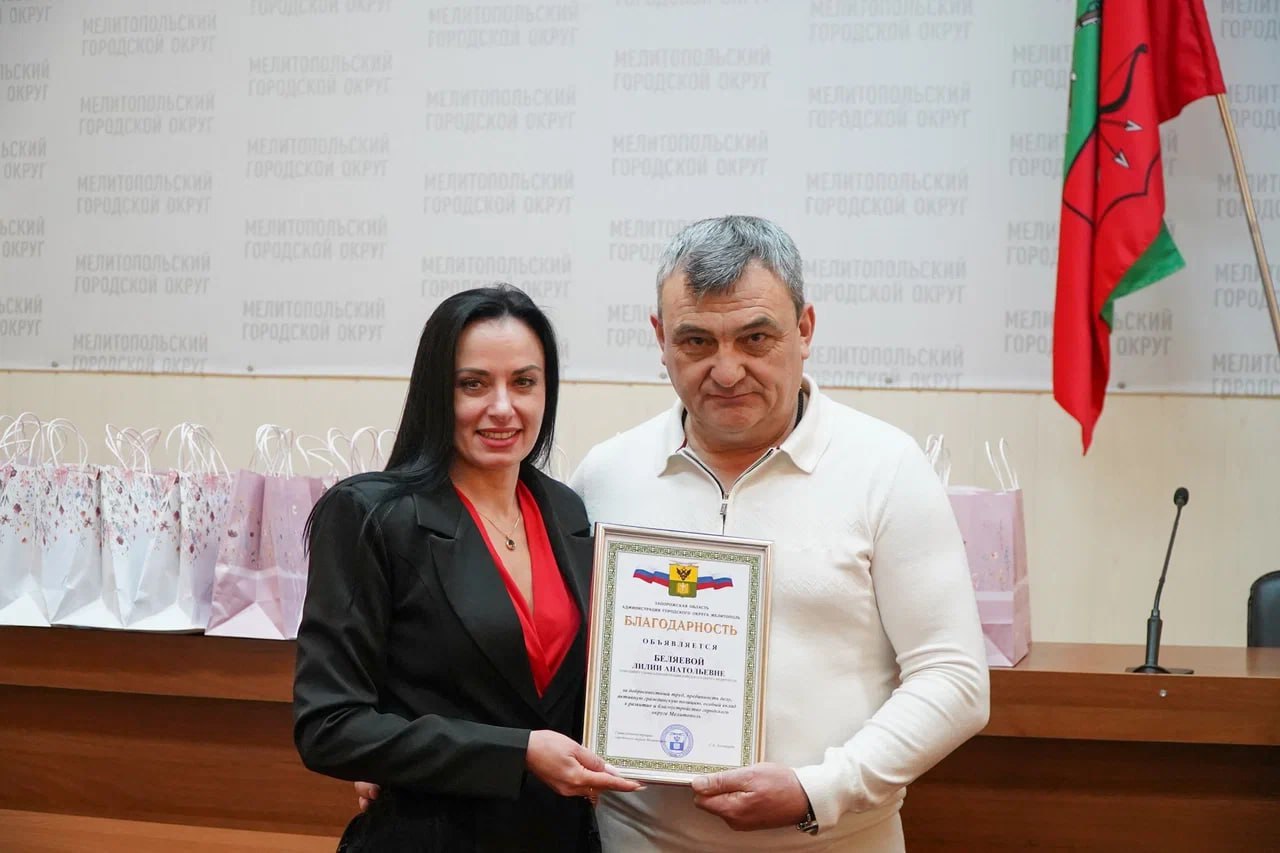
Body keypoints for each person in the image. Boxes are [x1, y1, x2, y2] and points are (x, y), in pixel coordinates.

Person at [355, 216, 990, 851]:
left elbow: (954, 678)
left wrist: (818, 790)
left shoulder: (886, 468)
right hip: (631, 840)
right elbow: (528, 656)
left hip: (830, 840)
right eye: (696, 342)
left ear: (805, 329)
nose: (727, 370)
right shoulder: (606, 475)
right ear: (660, 339)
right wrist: (414, 754)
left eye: (755, 338)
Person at [294, 285, 640, 852]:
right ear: (436, 392)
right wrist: (517, 753)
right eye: (473, 384)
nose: (502, 407)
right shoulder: (370, 515)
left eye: (523, 382)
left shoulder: (566, 510)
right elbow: (329, 727)